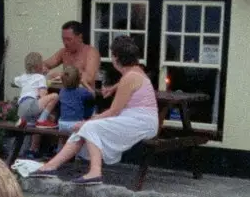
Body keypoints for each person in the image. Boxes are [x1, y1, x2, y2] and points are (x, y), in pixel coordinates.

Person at [34, 35, 158, 185]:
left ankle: (95, 172)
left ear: (117, 57)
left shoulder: (130, 77)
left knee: (89, 126)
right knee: (84, 129)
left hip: (140, 122)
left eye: (112, 54)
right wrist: (113, 88)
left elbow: (114, 111)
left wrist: (88, 120)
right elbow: (129, 83)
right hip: (140, 119)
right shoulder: (135, 72)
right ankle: (50, 166)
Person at [39, 19, 102, 89]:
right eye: (63, 39)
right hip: (65, 93)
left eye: (69, 39)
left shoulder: (91, 52)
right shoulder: (63, 52)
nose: (65, 43)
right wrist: (43, 69)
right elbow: (44, 64)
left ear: (80, 37)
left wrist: (61, 75)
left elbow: (89, 78)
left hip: (84, 95)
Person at [36, 63, 96, 134]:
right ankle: (82, 145)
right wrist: (84, 83)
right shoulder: (82, 91)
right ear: (78, 79)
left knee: (63, 135)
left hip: (62, 124)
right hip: (76, 124)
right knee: (94, 108)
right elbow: (93, 95)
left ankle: (60, 145)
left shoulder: (62, 91)